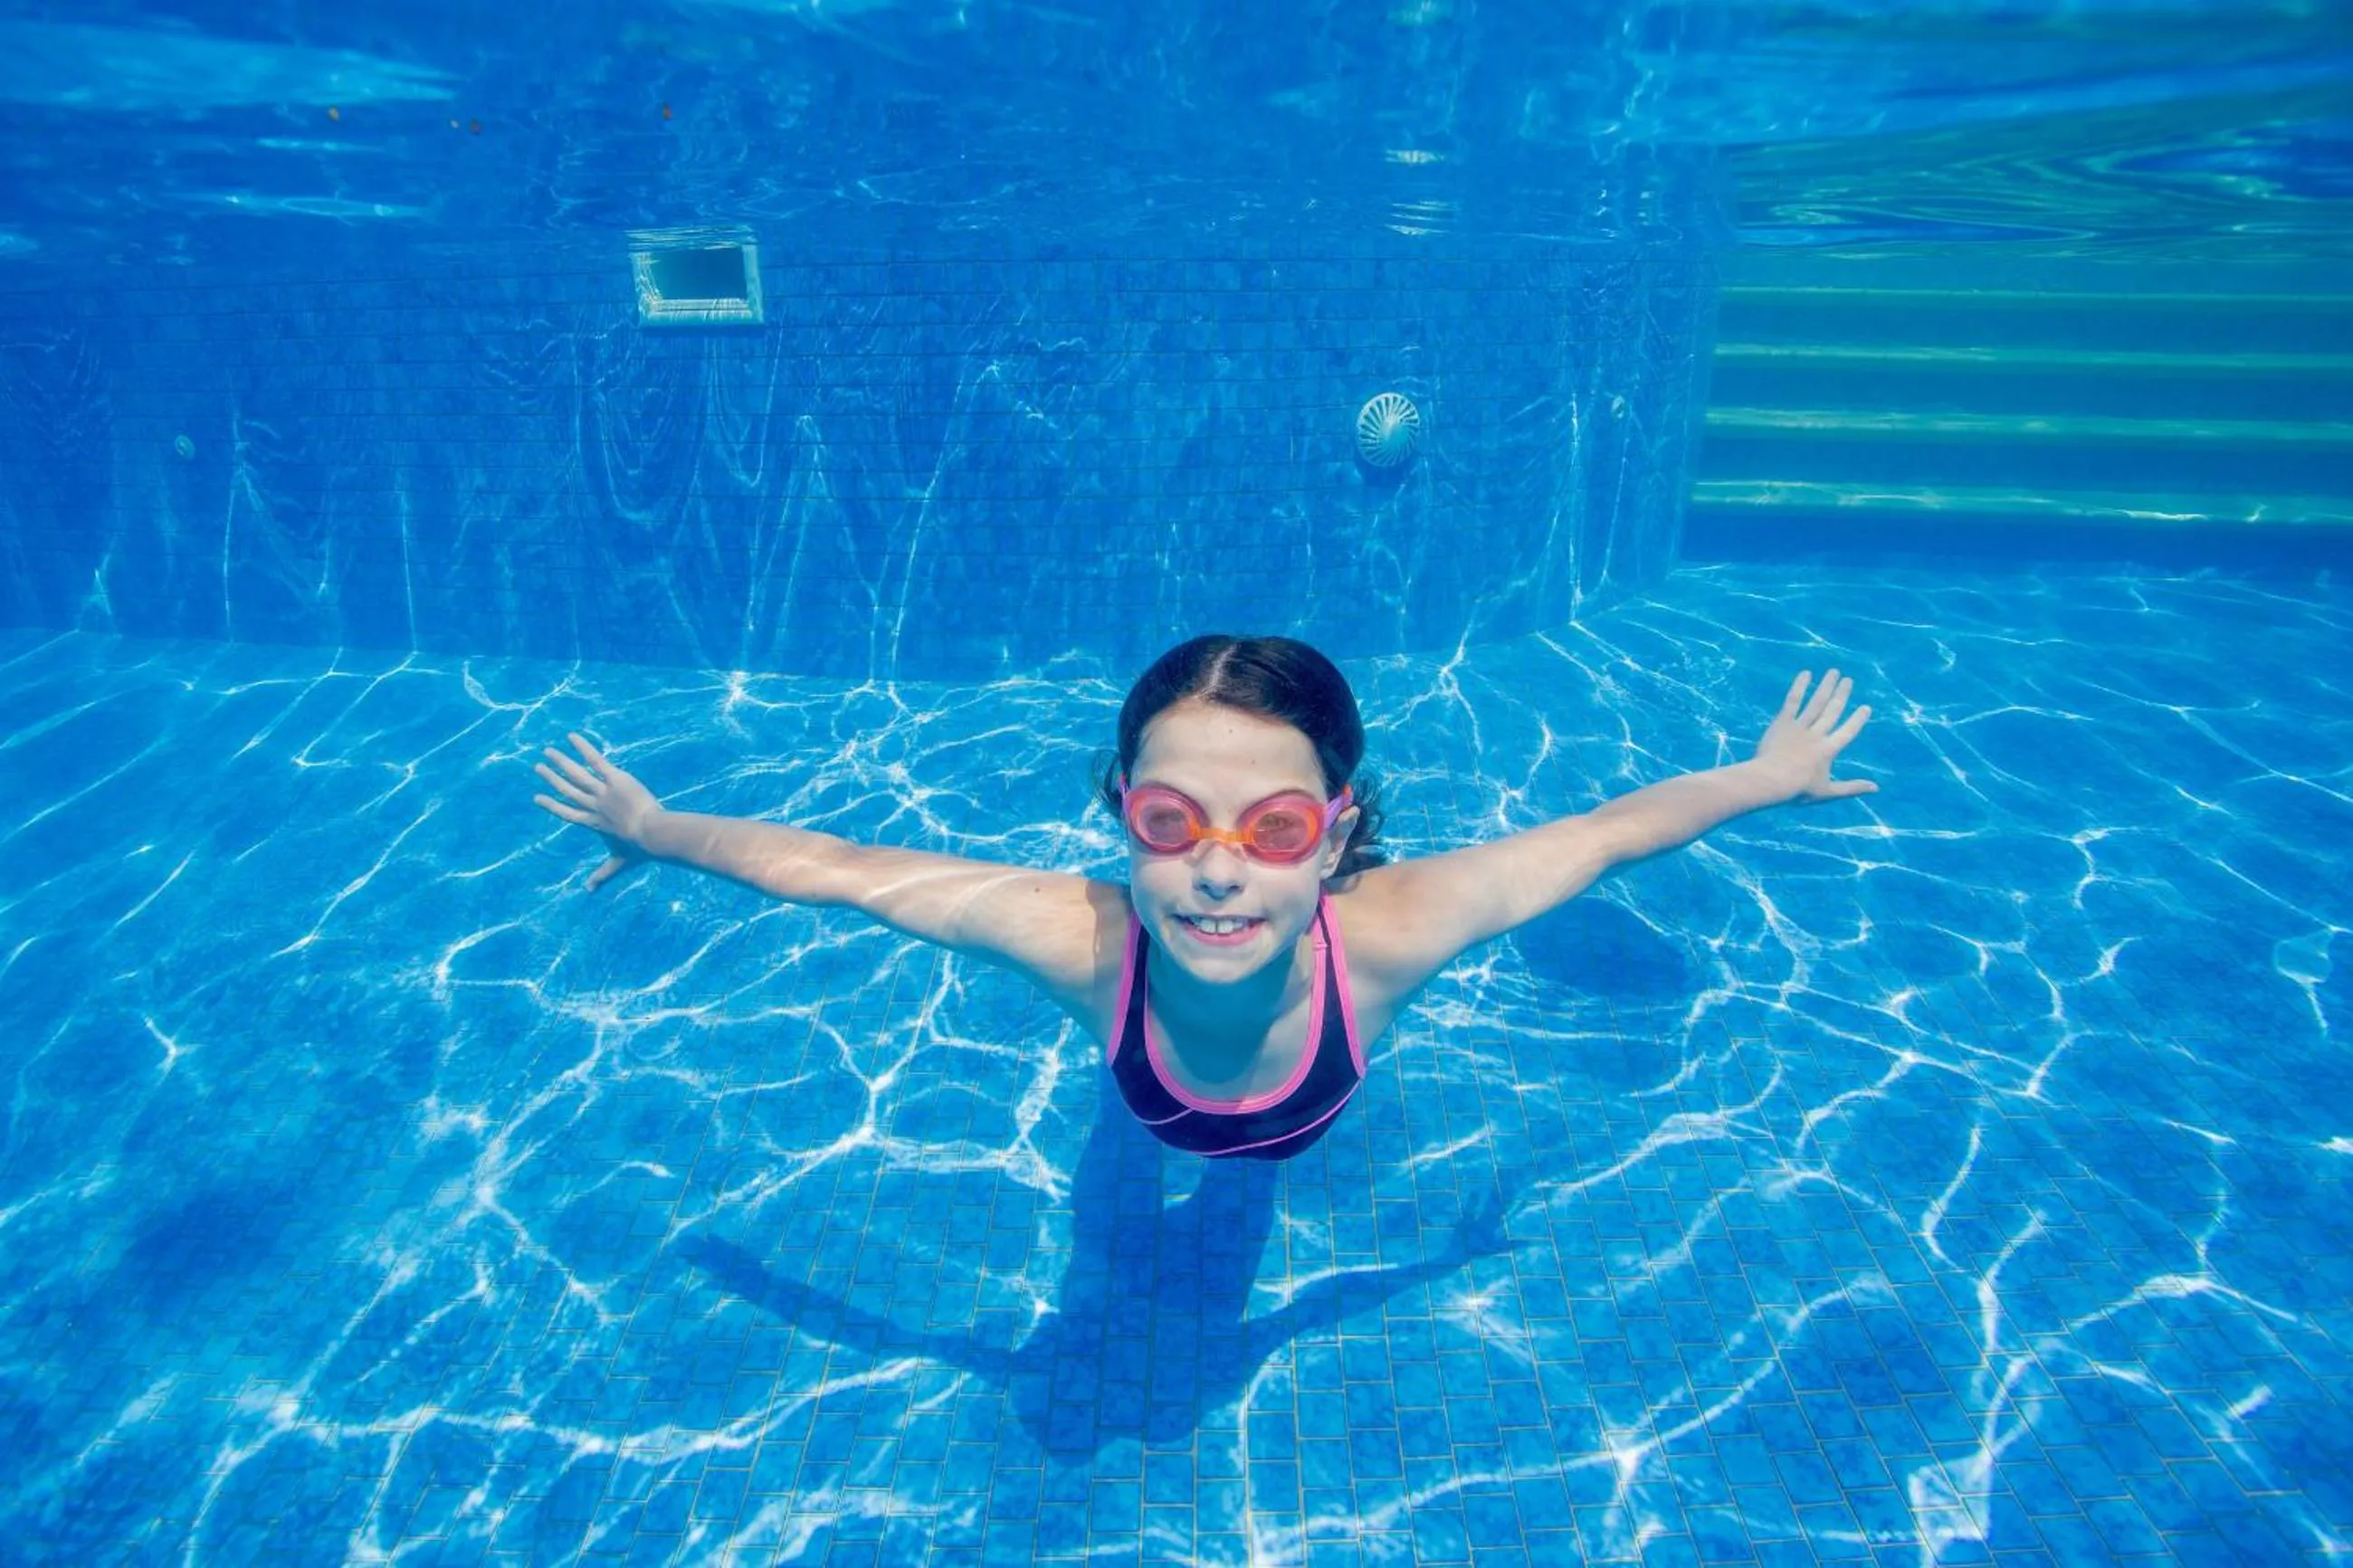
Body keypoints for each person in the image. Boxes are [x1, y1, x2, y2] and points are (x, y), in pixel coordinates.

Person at [532, 634, 1877, 1161]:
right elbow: (830, 871)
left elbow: (1605, 835)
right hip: (1150, 1100)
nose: (1219, 868)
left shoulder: (1398, 934)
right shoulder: (1071, 939)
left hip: (1305, 1107)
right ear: (1122, 812)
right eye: (1171, 822)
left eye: (1276, 826)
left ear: (1337, 836)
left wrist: (1763, 780)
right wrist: (656, 830)